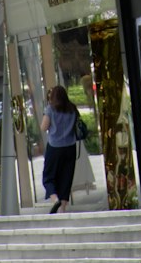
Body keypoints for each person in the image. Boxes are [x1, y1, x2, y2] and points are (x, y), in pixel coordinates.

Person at [40, 83, 83, 214]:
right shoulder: (72, 109)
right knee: (66, 177)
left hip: (54, 147)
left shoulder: (50, 109)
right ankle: (62, 209)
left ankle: (55, 199)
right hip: (70, 147)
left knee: (48, 177)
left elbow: (44, 127)